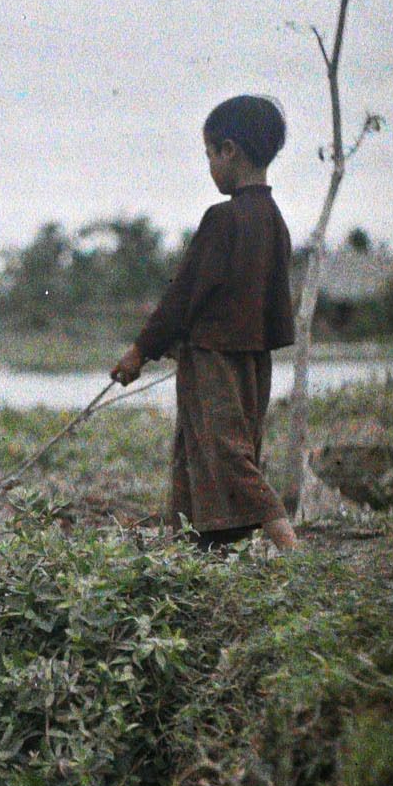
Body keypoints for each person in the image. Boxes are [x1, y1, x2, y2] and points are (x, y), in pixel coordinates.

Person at [111, 95, 299, 553]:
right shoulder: (274, 219)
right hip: (253, 359)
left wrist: (141, 350)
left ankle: (291, 549)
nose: (211, 166)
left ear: (228, 151)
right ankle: (198, 551)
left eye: (210, 155)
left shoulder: (224, 218)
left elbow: (184, 294)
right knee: (201, 448)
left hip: (214, 357)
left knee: (226, 454)